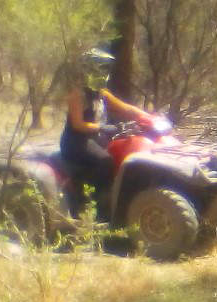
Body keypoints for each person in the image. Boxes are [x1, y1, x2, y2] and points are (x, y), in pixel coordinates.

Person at [59, 47, 151, 217]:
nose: (102, 73)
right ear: (88, 69)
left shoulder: (102, 94)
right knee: (105, 161)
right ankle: (89, 202)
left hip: (94, 139)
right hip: (75, 141)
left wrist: (147, 117)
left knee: (119, 152)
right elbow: (78, 125)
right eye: (99, 68)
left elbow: (126, 108)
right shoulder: (77, 95)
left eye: (104, 68)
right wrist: (102, 127)